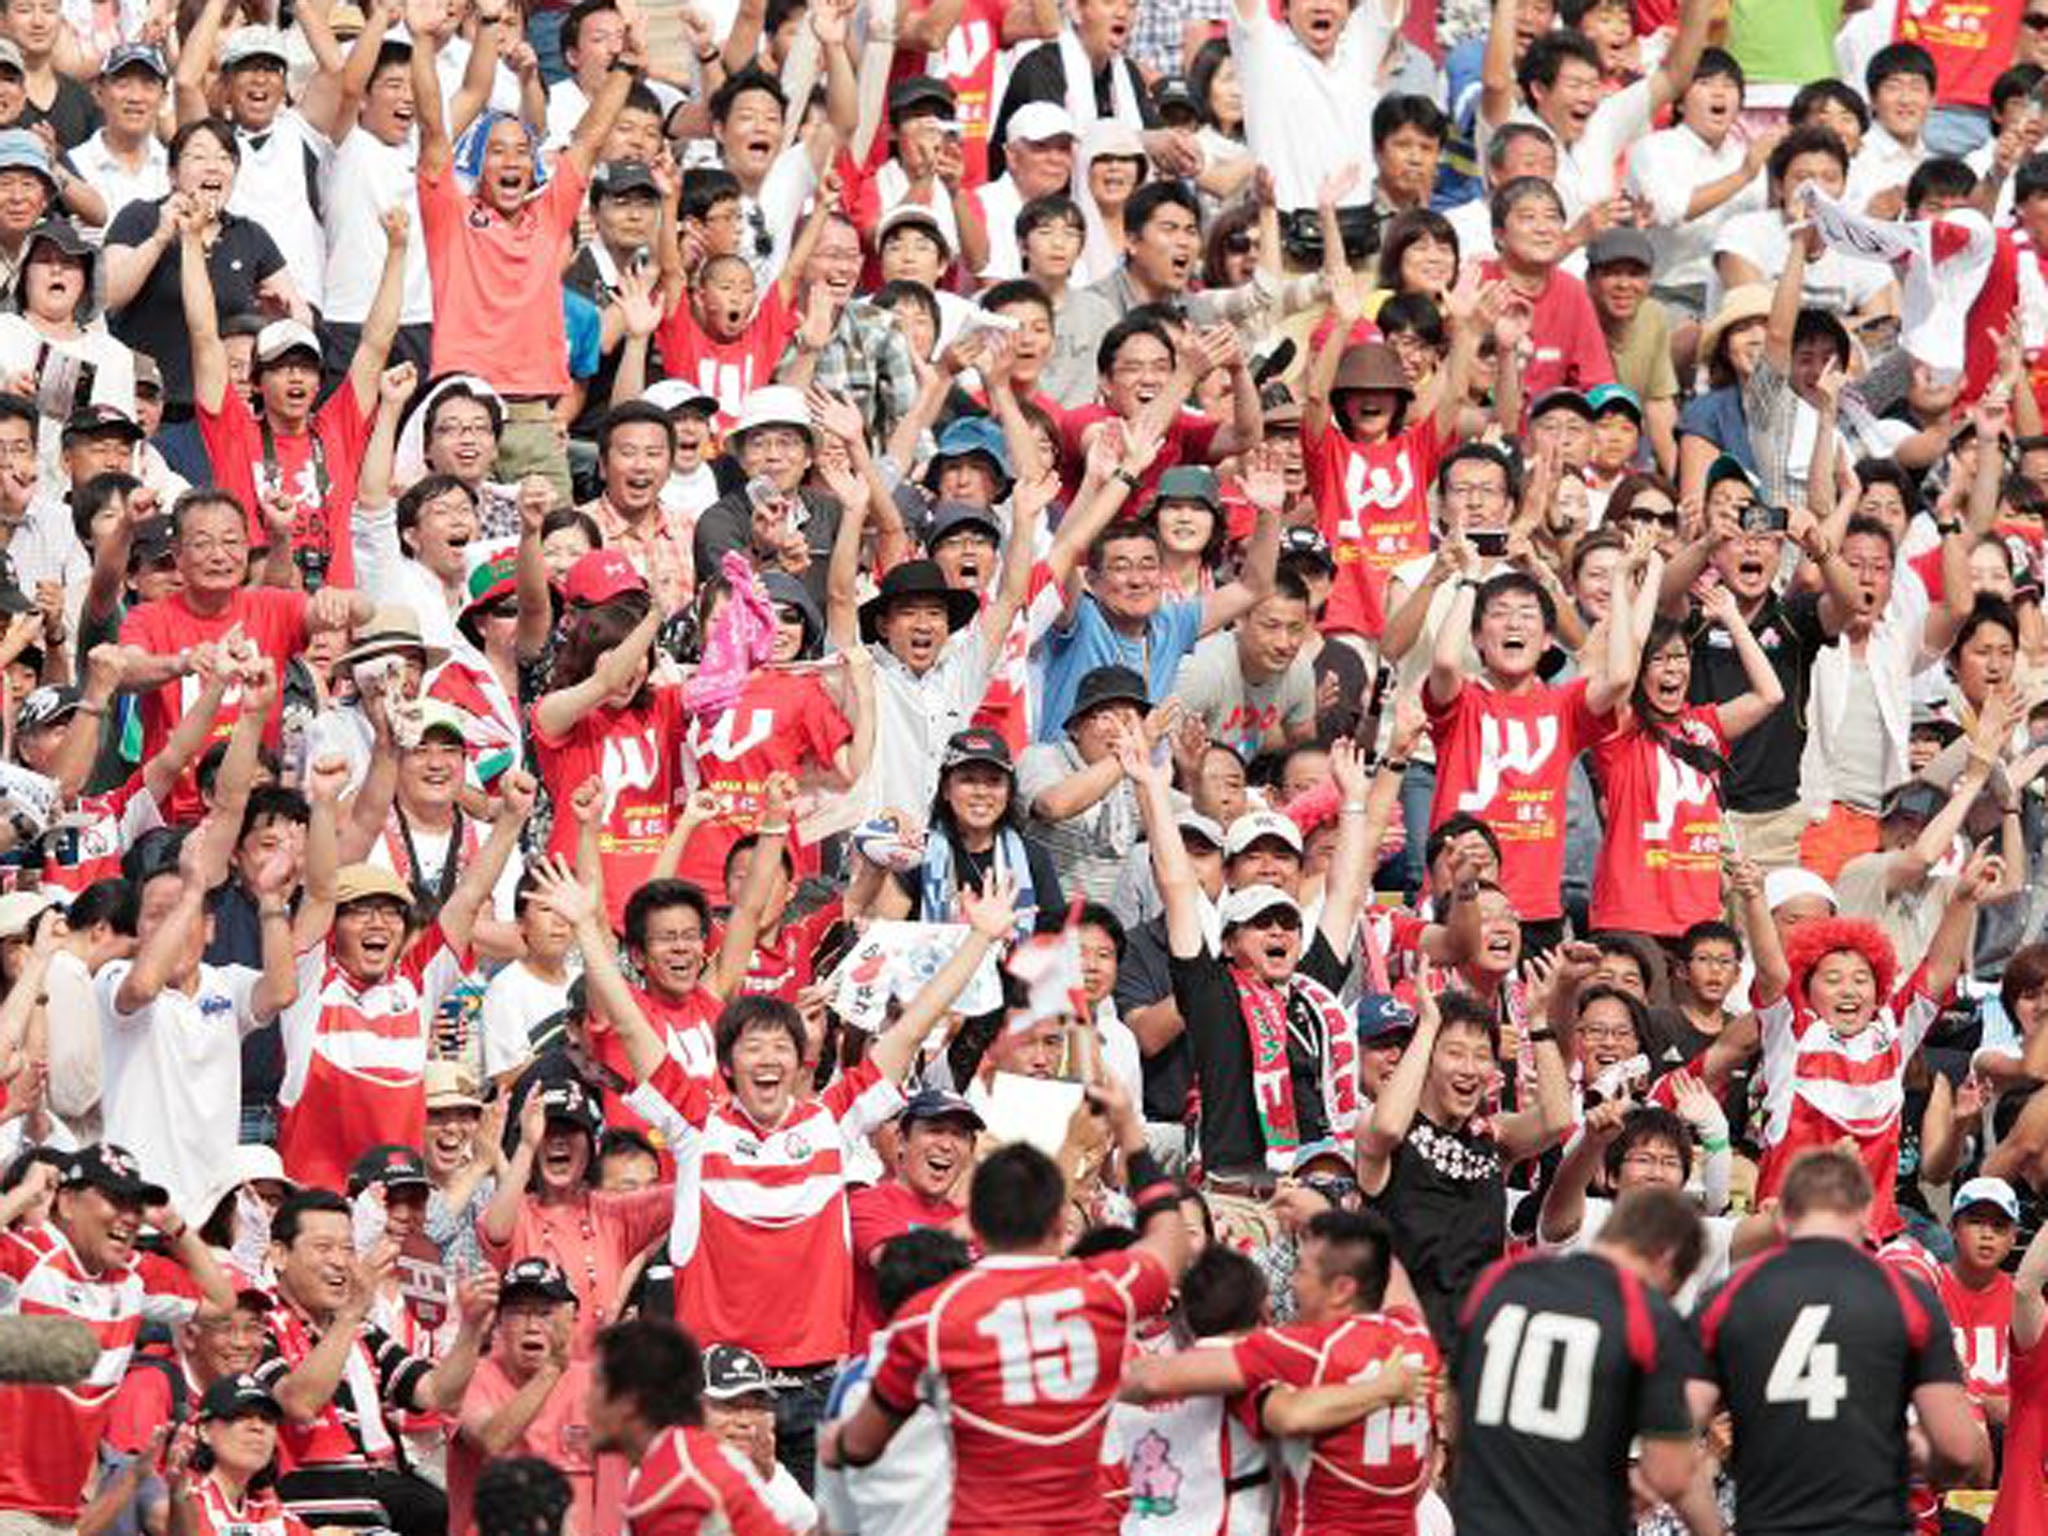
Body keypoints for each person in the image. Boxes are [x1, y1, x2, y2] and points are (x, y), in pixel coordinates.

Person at [827, 1080, 1192, 1532]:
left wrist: (836, 1447)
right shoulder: (1102, 1291)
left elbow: (861, 1444)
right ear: (1059, 1222)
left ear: (978, 1220)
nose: (946, 1144)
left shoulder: (933, 1318)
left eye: (959, 1134)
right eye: (935, 1130)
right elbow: (1169, 1245)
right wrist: (1130, 1133)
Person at [1695, 1149, 1991, 1532]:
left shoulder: (1729, 1298)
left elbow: (1669, 1445)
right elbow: (1959, 1451)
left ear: (1782, 1216)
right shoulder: (1907, 1297)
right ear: (1866, 1213)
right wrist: (1910, 1455)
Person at [1118, 1208, 1442, 1535]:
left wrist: (1093, 1372)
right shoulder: (1414, 1334)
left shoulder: (1303, 1350)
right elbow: (1392, 1276)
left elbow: (1151, 1380)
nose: (1292, 1281)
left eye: (1302, 1270)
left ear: (1342, 1289)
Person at [1450, 1186, 1718, 1536]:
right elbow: (1670, 1474)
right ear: (1667, 1258)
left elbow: (1455, 1417)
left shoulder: (1499, 1281)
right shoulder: (1645, 1316)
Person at [0, 1143, 234, 1527]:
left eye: (136, 1206)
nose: (129, 1217)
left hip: (64, 1511)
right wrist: (25, 1193)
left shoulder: (133, 1275)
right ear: (67, 1203)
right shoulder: (29, 1253)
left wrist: (176, 1227)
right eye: (115, 1200)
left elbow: (221, 1303)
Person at [583, 1318, 791, 1535]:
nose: (586, 1401)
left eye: (598, 1384)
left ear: (630, 1401)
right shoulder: (685, 1458)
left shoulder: (672, 1486)